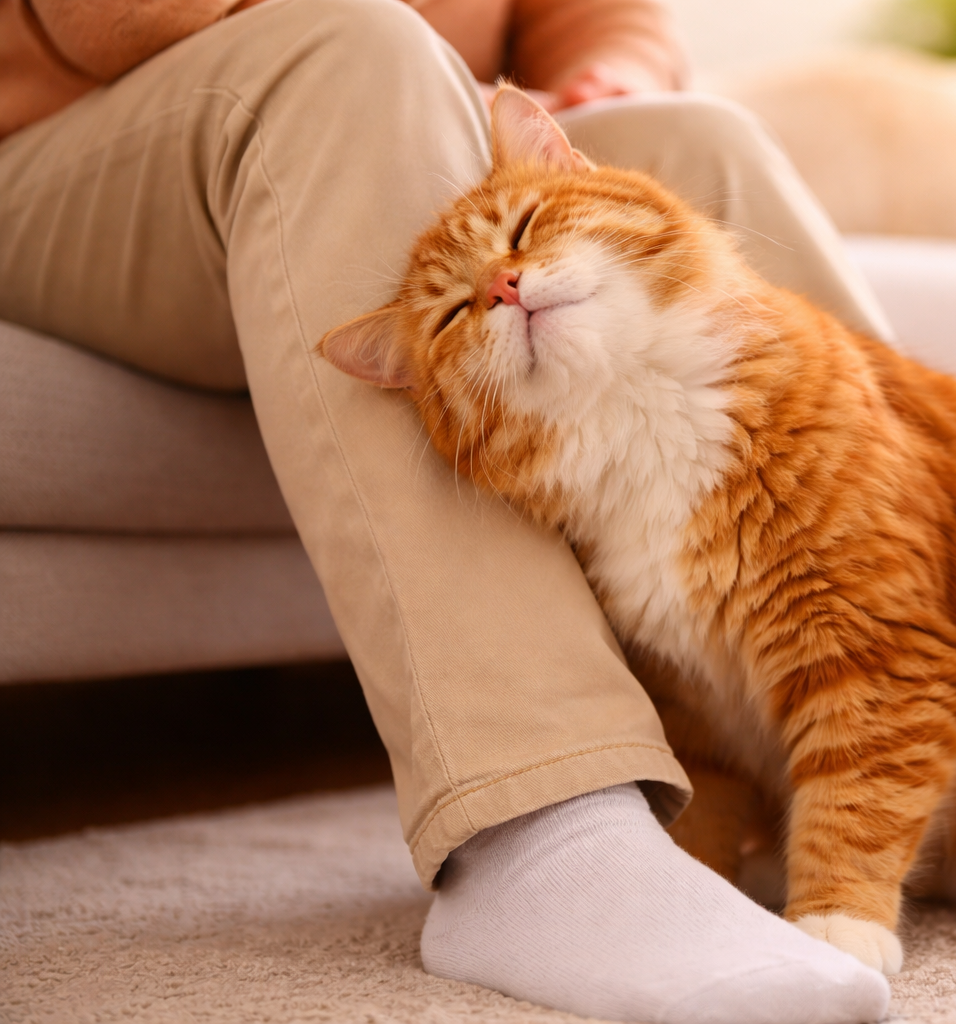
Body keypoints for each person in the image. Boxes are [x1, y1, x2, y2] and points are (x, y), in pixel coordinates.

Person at [0, 1, 895, 1021]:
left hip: (444, 101)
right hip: (65, 138)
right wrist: (428, 76)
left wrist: (610, 66)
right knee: (356, 55)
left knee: (697, 139)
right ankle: (544, 836)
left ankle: (933, 705)